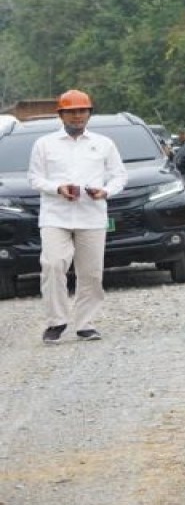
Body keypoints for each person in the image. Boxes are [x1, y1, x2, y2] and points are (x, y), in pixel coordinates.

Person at [27, 89, 126, 344]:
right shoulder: (44, 144)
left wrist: (105, 191)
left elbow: (119, 176)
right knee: (52, 264)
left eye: (82, 111)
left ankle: (85, 324)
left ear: (89, 113)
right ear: (60, 114)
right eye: (71, 112)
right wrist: (57, 188)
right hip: (55, 216)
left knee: (91, 272)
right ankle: (56, 321)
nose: (77, 116)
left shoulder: (104, 144)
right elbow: (34, 178)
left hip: (91, 216)